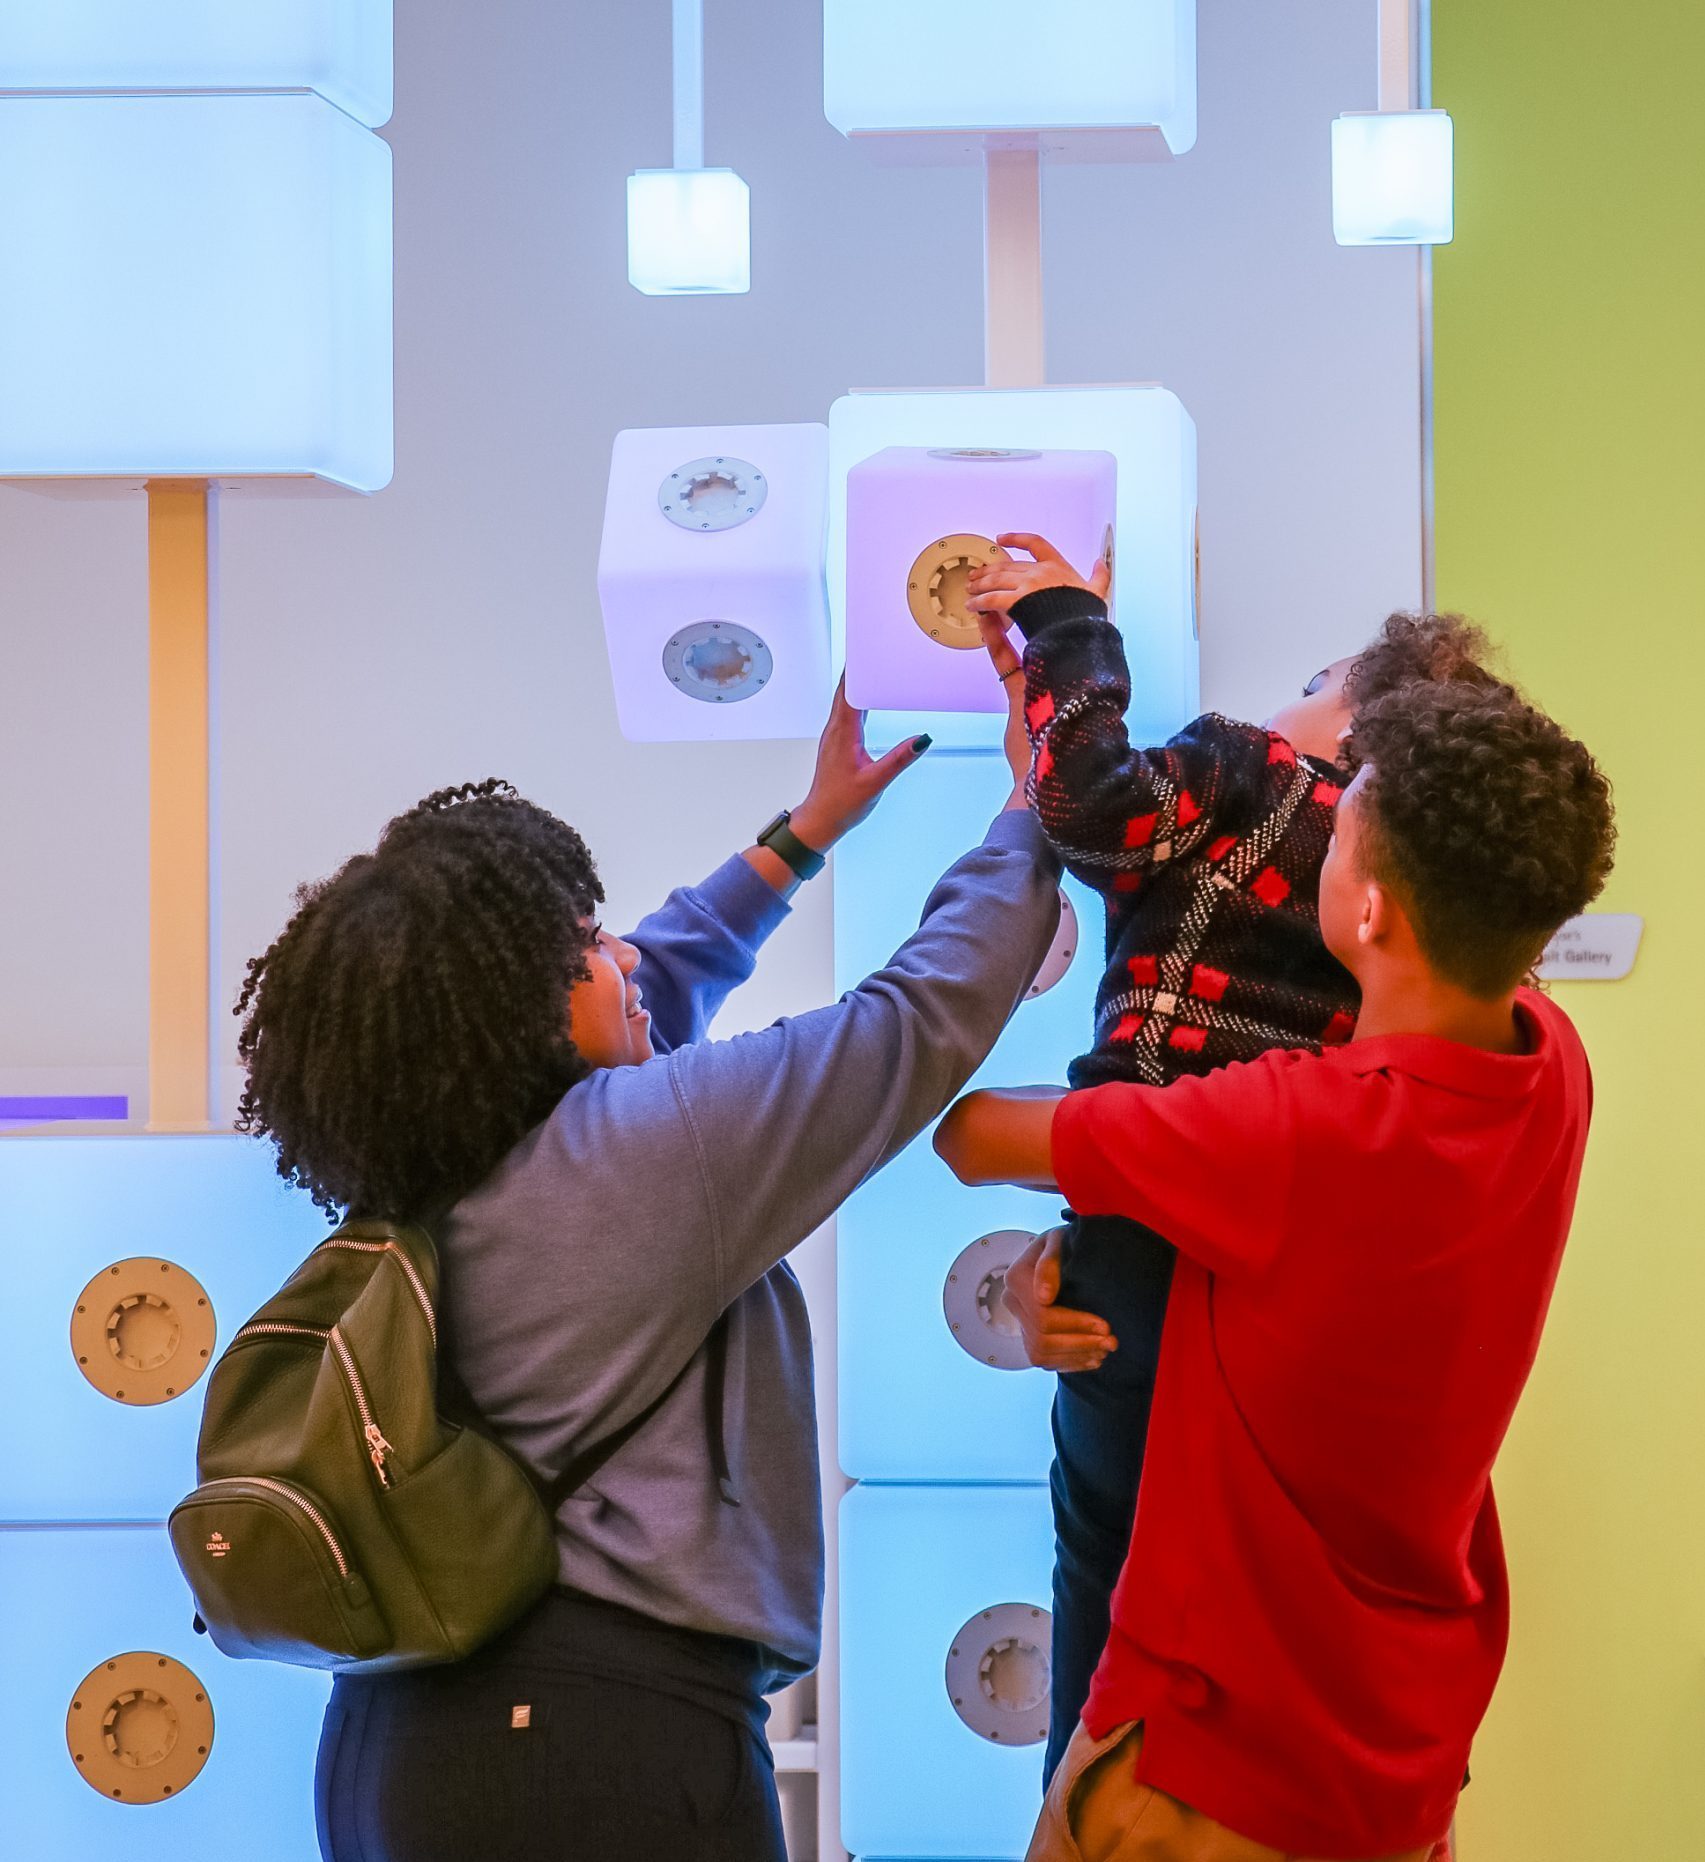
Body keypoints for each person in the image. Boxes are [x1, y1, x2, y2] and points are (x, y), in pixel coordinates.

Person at [232, 679, 1060, 1862]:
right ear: (518, 1009)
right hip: (593, 1743)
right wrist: (1037, 800)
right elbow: (917, 1014)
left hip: (391, 1750)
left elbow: (639, 992)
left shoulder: (445, 1155)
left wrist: (802, 835)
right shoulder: (639, 1157)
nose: (623, 950)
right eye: (587, 942)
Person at [936, 679, 1615, 1862]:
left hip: (1207, 1779)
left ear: (1370, 908)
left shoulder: (1293, 1132)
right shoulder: (1551, 1066)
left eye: (1337, 827)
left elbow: (973, 1135)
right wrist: (1109, 1233)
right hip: (1395, 1774)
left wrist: (1029, 796)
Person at [963, 533, 1499, 1778]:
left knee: (1101, 1577)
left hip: (1136, 1246)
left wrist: (1069, 629)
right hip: (1274, 1281)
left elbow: (1088, 808)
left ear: (1351, 722)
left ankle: (1084, 1805)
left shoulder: (1255, 773)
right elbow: (1077, 804)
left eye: (1311, 680)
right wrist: (1033, 698)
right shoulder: (1412, 926)